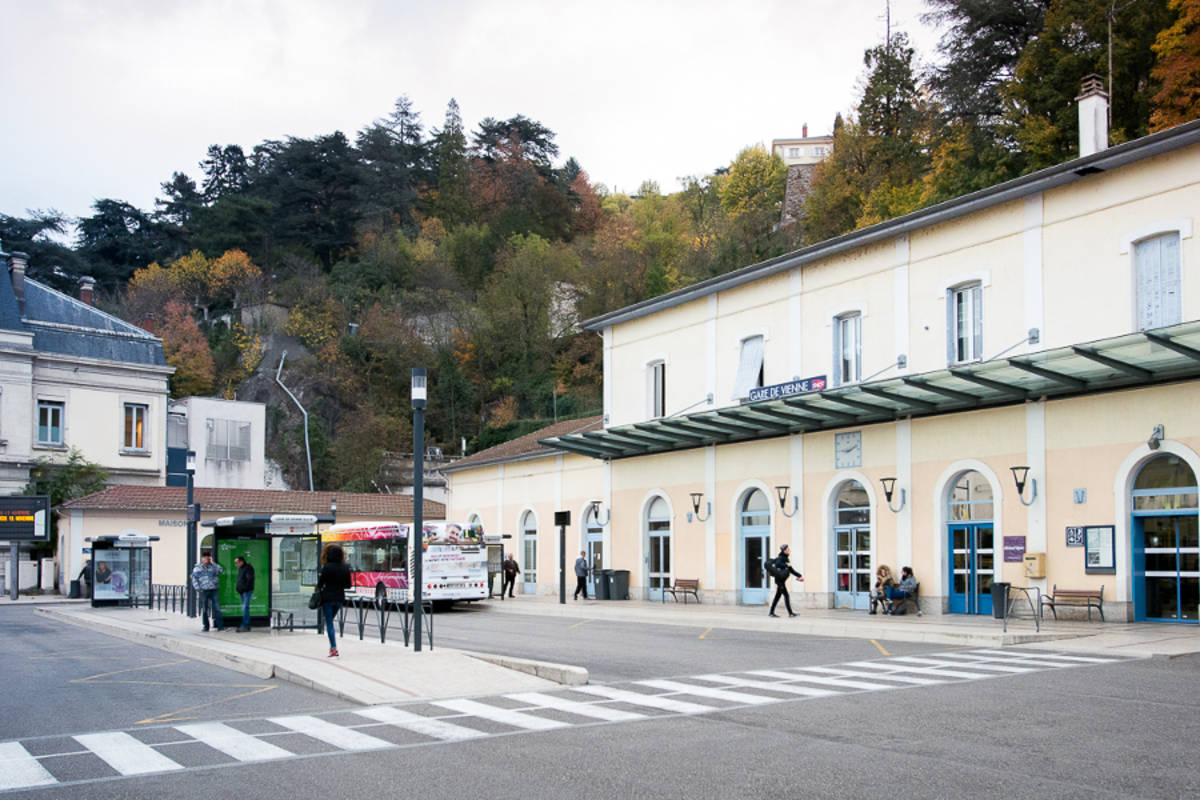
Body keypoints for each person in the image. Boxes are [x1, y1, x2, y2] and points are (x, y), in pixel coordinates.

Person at [317, 544, 352, 658]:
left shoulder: (327, 567)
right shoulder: (345, 567)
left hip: (328, 598)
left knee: (329, 623)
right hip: (339, 598)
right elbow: (348, 585)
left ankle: (333, 648)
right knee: (330, 621)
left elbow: (320, 584)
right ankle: (333, 647)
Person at [768, 544, 803, 618]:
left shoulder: (786, 558)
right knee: (786, 596)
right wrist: (786, 565)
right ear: (784, 551)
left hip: (781, 581)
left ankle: (771, 612)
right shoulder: (781, 557)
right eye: (787, 550)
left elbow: (791, 570)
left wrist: (799, 575)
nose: (789, 551)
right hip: (779, 581)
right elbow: (778, 564)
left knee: (777, 596)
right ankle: (790, 613)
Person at [191, 551, 224, 632]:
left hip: (213, 589)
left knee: (217, 608)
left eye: (208, 557)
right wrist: (198, 589)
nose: (206, 559)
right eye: (205, 557)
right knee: (205, 609)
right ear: (202, 558)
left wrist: (213, 563)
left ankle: (220, 626)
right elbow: (194, 579)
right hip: (204, 590)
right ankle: (206, 626)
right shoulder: (198, 568)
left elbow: (220, 570)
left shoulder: (213, 567)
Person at [234, 556, 255, 632]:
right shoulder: (241, 569)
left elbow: (249, 580)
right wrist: (238, 589)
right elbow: (240, 580)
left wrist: (244, 588)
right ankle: (246, 624)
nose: (236, 564)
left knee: (245, 607)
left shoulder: (248, 568)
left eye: (237, 562)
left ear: (242, 561)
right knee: (244, 608)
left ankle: (245, 625)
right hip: (242, 591)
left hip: (246, 591)